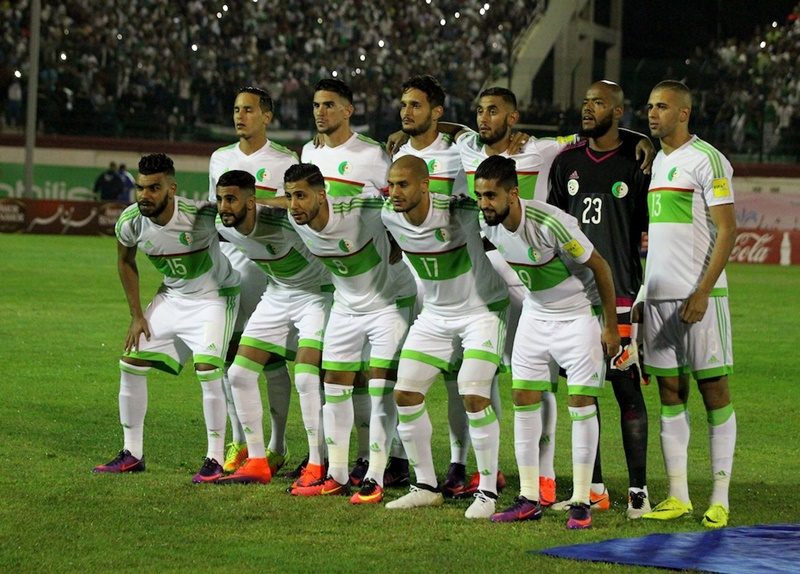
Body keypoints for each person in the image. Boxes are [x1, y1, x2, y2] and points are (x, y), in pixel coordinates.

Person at [475, 155, 620, 529]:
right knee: (523, 398)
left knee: (580, 403)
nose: (484, 204)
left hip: (578, 316)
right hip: (535, 315)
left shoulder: (551, 222)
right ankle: (528, 499)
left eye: (490, 196)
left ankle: (582, 501)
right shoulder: (487, 222)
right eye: (479, 196)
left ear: (512, 193)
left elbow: (600, 267)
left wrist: (610, 326)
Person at [93, 153, 240, 483]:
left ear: (172, 189)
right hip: (172, 296)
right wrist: (136, 315)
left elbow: (245, 214)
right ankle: (132, 454)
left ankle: (215, 459)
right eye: (140, 188)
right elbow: (125, 261)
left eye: (154, 188)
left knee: (208, 370)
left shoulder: (200, 215)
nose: (144, 195)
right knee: (131, 362)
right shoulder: (131, 221)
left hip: (214, 297)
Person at [382, 156, 509, 519]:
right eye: (391, 185)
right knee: (405, 393)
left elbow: (499, 207)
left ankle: (487, 492)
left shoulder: (460, 211)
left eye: (403, 185)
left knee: (473, 394)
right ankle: (425, 487)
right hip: (436, 316)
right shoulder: (388, 215)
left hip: (482, 311)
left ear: (425, 185)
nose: (395, 192)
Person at [547, 80, 651, 519]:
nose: (588, 108)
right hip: (573, 300)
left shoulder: (637, 163)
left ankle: (638, 492)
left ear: (619, 111)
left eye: (599, 103)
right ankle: (594, 488)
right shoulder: (565, 162)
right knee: (582, 394)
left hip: (621, 295)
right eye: (586, 101)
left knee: (626, 391)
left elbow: (651, 230)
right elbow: (553, 227)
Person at [285, 163, 417, 504]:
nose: (294, 205)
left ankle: (375, 477)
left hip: (390, 303)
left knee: (380, 388)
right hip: (346, 307)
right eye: (289, 197)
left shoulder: (361, 207)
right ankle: (337, 476)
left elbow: (402, 201)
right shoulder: (294, 219)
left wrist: (396, 240)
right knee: (334, 385)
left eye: (301, 196)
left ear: (321, 195)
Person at [640, 80, 737, 529]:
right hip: (659, 299)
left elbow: (727, 230)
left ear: (684, 113)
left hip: (700, 298)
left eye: (662, 106)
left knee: (714, 391)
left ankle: (720, 498)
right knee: (670, 393)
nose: (652, 113)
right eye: (649, 106)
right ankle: (678, 495)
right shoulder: (657, 160)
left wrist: (702, 291)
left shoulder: (707, 159)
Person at [300, 78, 397, 486]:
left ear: (348, 110)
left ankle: (388, 459)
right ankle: (346, 462)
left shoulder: (372, 155)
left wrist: (396, 249)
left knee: (376, 378)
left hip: (378, 281)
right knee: (339, 375)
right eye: (316, 105)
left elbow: (395, 205)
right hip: (335, 281)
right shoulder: (309, 153)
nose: (321, 112)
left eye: (329, 105)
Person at [214, 170, 332, 486]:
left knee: (306, 376)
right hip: (277, 294)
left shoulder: (287, 221)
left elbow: (316, 210)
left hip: (317, 295)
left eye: (231, 199)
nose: (224, 207)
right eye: (220, 199)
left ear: (251, 201)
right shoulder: (221, 225)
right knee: (239, 374)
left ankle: (318, 464)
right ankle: (256, 461)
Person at [391, 75, 474, 497]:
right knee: (401, 374)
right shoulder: (397, 153)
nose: (406, 112)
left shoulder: (458, 152)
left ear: (437, 112)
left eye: (416, 105)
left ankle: (463, 464)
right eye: (404, 104)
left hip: (455, 281)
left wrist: (457, 128)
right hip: (407, 280)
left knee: (463, 379)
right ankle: (398, 460)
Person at [208, 87, 298, 476]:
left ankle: (277, 445)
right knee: (230, 353)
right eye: (236, 109)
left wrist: (256, 205)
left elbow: (293, 205)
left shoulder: (285, 159)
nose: (239, 116)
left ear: (267, 116)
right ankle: (240, 440)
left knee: (271, 355)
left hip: (266, 264)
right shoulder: (219, 158)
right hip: (228, 261)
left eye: (248, 109)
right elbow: (217, 211)